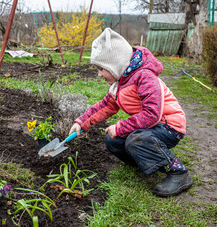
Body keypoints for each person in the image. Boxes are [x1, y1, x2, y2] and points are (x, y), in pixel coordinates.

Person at [69, 28, 192, 197]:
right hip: (152, 126)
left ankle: (179, 173)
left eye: (101, 69)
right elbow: (105, 106)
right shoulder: (121, 81)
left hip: (169, 126)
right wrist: (81, 123)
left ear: (115, 65)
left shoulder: (144, 76)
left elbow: (152, 114)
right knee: (113, 141)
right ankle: (143, 162)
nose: (99, 74)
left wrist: (120, 127)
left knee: (136, 140)